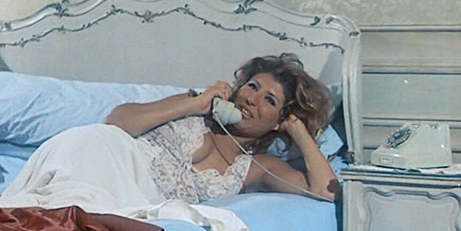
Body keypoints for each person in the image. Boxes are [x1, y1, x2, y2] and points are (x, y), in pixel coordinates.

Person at [104, 53, 339, 203]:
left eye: (269, 100)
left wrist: (297, 130)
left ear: (280, 120)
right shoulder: (191, 105)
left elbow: (327, 192)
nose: (252, 99)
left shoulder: (257, 168)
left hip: (130, 206)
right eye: (252, 86)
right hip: (110, 165)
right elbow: (116, 122)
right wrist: (194, 104)